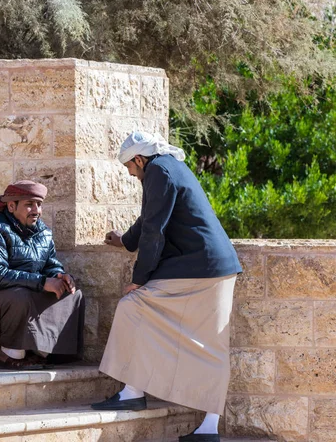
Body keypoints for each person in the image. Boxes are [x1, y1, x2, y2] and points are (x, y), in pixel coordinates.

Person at [91, 131, 242, 442]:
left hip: (199, 268)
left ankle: (132, 391)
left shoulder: (158, 171)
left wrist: (138, 279)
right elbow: (150, 219)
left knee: (133, 307)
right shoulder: (171, 167)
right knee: (211, 346)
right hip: (216, 266)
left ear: (138, 159)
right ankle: (209, 428)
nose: (131, 174)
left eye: (129, 168)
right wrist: (125, 241)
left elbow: (154, 231)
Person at [0, 180, 85, 370]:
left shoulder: (44, 232)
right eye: (29, 204)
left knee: (72, 294)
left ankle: (46, 352)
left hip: (24, 298)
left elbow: (51, 265)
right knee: (20, 296)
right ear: (11, 206)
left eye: (39, 204)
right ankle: (10, 355)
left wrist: (60, 276)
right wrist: (43, 282)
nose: (36, 210)